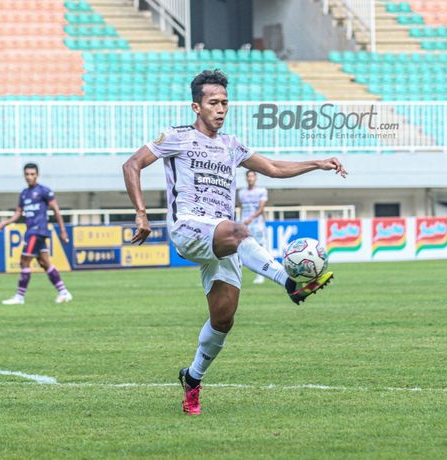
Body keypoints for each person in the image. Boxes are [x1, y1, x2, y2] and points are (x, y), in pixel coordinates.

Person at [122, 69, 347, 415]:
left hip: (222, 237)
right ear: (196, 107)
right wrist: (141, 213)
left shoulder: (231, 145)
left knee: (223, 319)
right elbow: (132, 164)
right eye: (213, 102)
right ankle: (290, 283)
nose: (221, 108)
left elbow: (273, 167)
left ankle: (193, 379)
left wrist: (316, 163)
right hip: (191, 228)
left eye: (225, 102)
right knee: (241, 231)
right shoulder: (176, 137)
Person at [0, 163, 73, 305]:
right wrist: (6, 222)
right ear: (24, 175)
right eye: (27, 174)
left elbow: (56, 210)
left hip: (38, 231)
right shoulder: (24, 194)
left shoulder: (44, 191)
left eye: (32, 174)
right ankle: (64, 292)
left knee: (24, 261)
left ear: (37, 175)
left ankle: (19, 297)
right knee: (44, 263)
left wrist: (62, 231)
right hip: (31, 230)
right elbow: (18, 213)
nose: (29, 177)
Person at [238, 170, 269, 284]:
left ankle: (261, 275)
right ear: (246, 178)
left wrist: (251, 218)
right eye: (248, 176)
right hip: (245, 224)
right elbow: (242, 208)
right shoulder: (241, 192)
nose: (250, 178)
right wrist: (241, 221)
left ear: (255, 178)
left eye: (252, 176)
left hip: (257, 224)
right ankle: (237, 275)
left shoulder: (262, 191)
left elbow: (261, 208)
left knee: (260, 249)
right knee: (240, 248)